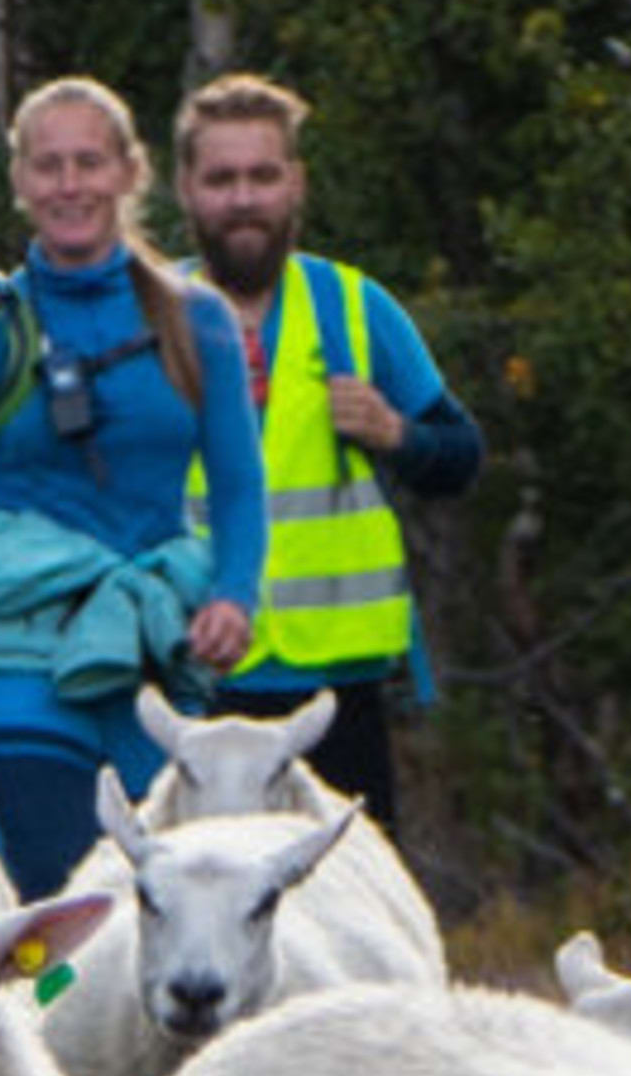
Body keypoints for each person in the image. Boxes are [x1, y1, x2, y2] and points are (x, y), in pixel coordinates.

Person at [0, 73, 267, 902]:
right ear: (20, 181)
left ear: (129, 172)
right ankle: (47, 986)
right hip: (15, 662)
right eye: (48, 166)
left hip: (151, 662)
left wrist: (234, 593)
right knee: (60, 897)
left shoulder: (199, 321)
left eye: (89, 163)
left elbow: (237, 484)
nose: (70, 185)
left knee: (162, 904)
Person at [167, 68, 485, 856]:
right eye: (222, 180)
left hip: (336, 692)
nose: (244, 199)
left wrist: (396, 432)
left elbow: (461, 455)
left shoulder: (351, 306)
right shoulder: (147, 314)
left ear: (297, 184)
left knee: (351, 900)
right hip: (185, 686)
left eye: (263, 176)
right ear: (186, 190)